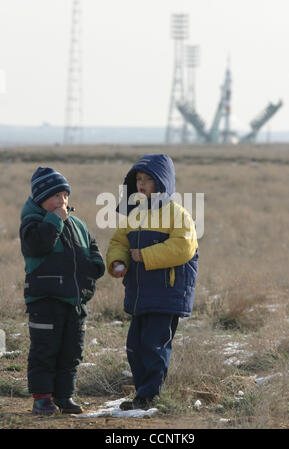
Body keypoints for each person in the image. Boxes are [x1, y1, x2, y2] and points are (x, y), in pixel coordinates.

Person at [106, 154, 198, 410]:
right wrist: (117, 262)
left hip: (166, 293)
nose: (142, 184)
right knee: (134, 346)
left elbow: (183, 247)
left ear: (163, 182)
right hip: (140, 292)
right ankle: (141, 394)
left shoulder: (177, 214)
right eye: (139, 179)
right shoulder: (135, 215)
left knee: (153, 345)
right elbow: (119, 242)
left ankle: (149, 396)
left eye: (148, 179)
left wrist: (145, 255)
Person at [20, 167, 105, 415]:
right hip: (45, 300)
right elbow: (38, 246)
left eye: (64, 195)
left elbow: (92, 246)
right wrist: (56, 218)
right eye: (55, 196)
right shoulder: (32, 223)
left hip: (75, 300)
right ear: (39, 198)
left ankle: (64, 396)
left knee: (71, 351)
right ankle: (42, 399)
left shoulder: (77, 224)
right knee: (45, 350)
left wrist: (95, 267)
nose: (62, 201)